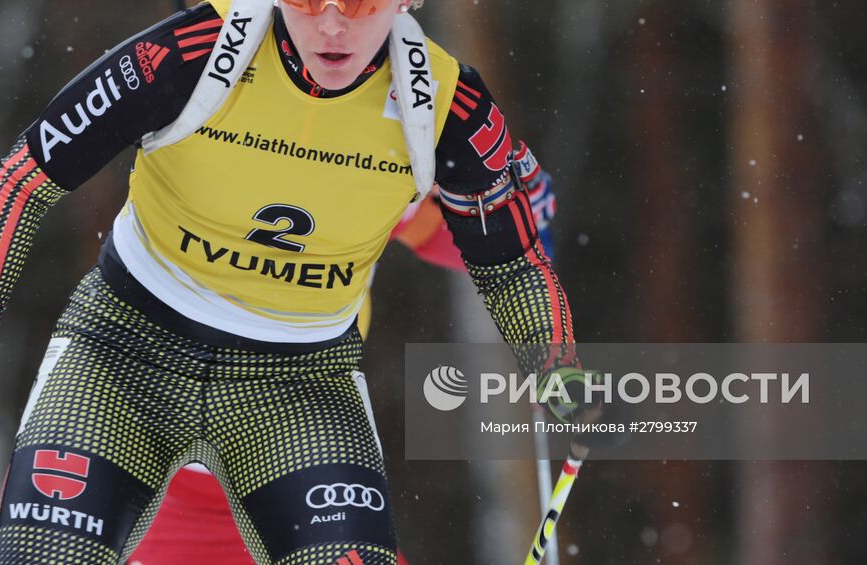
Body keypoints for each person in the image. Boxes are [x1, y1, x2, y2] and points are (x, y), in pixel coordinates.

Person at [0, 0, 582, 564]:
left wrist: (557, 365)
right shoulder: (195, 52)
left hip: (297, 384)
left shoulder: (443, 104)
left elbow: (511, 263)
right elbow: (24, 177)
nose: (330, 26)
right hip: (124, 354)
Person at [129, 173, 557, 564]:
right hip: (172, 485)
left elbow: (440, 233)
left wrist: (511, 225)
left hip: (303, 468)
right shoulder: (196, 145)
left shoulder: (365, 162)